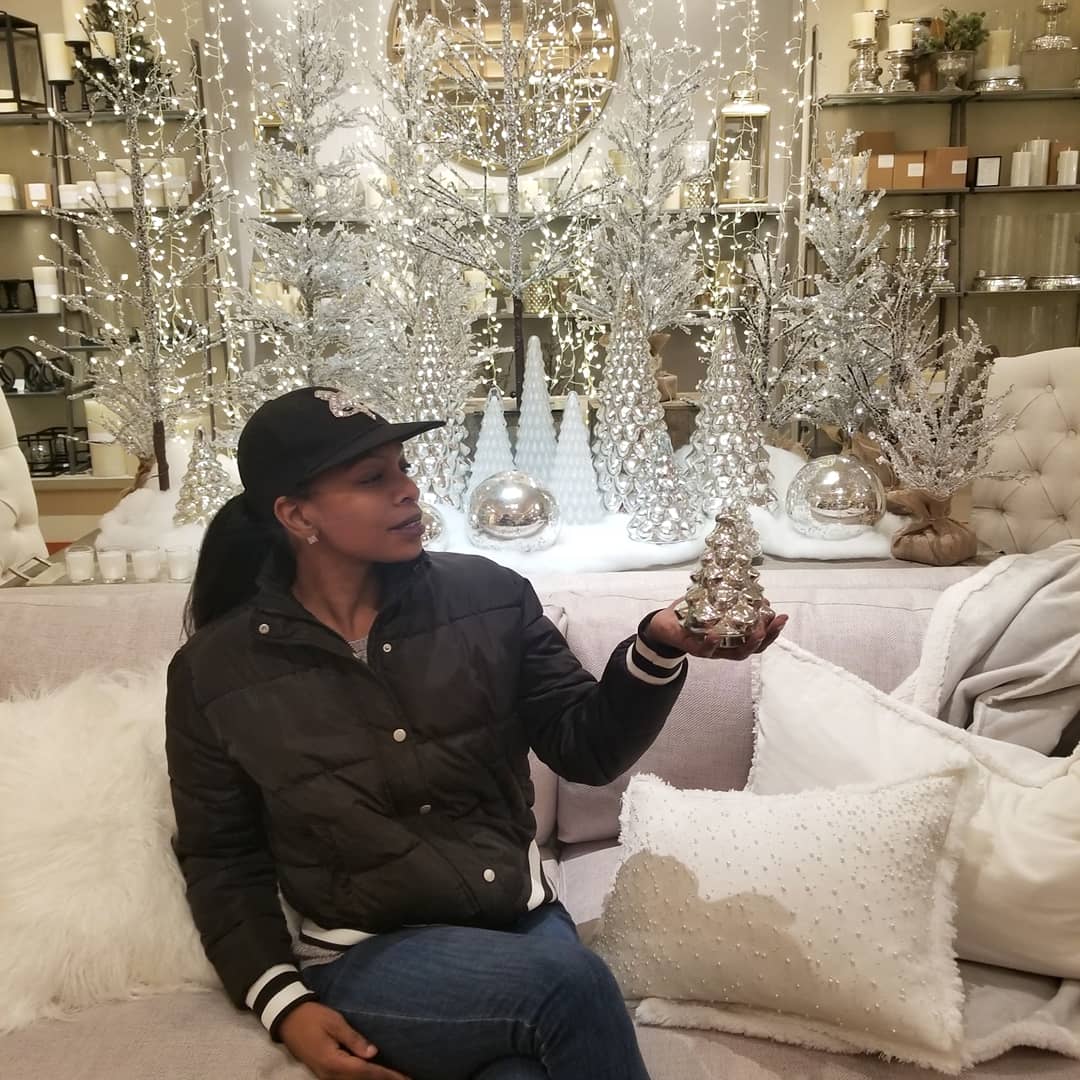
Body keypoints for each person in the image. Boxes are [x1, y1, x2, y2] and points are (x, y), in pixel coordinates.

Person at [166, 386, 787, 1080]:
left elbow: (587, 748)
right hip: (369, 955)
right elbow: (222, 857)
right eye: (372, 478)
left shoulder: (489, 597)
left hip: (520, 924)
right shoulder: (215, 670)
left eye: (403, 467)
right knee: (572, 986)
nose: (407, 489)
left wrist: (658, 648)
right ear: (297, 514)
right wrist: (283, 1004)